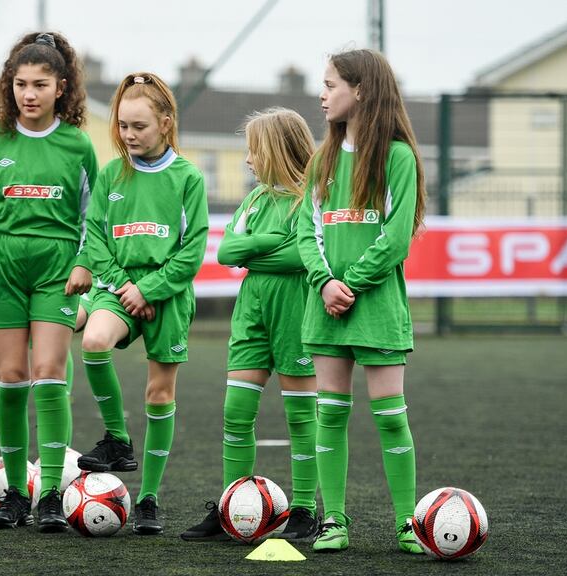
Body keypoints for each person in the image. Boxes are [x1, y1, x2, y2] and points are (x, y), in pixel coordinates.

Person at [0, 32, 98, 533]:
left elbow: (93, 220)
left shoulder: (78, 145)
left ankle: (52, 494)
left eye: (39, 84)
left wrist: (84, 264)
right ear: (8, 87)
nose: (28, 93)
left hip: (57, 270)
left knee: (50, 370)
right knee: (12, 377)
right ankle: (16, 494)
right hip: (4, 270)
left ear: (61, 87)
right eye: (19, 84)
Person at [296, 49, 426, 554]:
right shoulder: (321, 158)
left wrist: (349, 284)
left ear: (362, 91)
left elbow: (396, 238)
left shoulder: (396, 157)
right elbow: (305, 230)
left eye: (330, 85)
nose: (322, 94)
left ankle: (406, 524)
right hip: (325, 304)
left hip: (374, 307)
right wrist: (325, 283)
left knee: (391, 416)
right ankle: (335, 522)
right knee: (330, 413)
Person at [77, 72, 208, 535]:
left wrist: (150, 290)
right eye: (123, 126)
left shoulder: (187, 178)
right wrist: (122, 287)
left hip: (166, 296)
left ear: (166, 123)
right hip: (118, 289)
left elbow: (191, 251)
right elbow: (94, 237)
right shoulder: (112, 173)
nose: (129, 135)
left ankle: (149, 499)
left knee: (159, 394)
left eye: (139, 126)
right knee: (93, 340)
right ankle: (117, 438)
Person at [180, 108, 320, 542]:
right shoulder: (255, 199)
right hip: (251, 314)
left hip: (296, 313)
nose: (247, 160)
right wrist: (271, 243)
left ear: (277, 150)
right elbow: (225, 252)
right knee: (236, 413)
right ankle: (230, 507)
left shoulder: (312, 197)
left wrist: (256, 252)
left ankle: (304, 509)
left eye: (253, 151)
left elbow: (304, 255)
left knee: (301, 417)